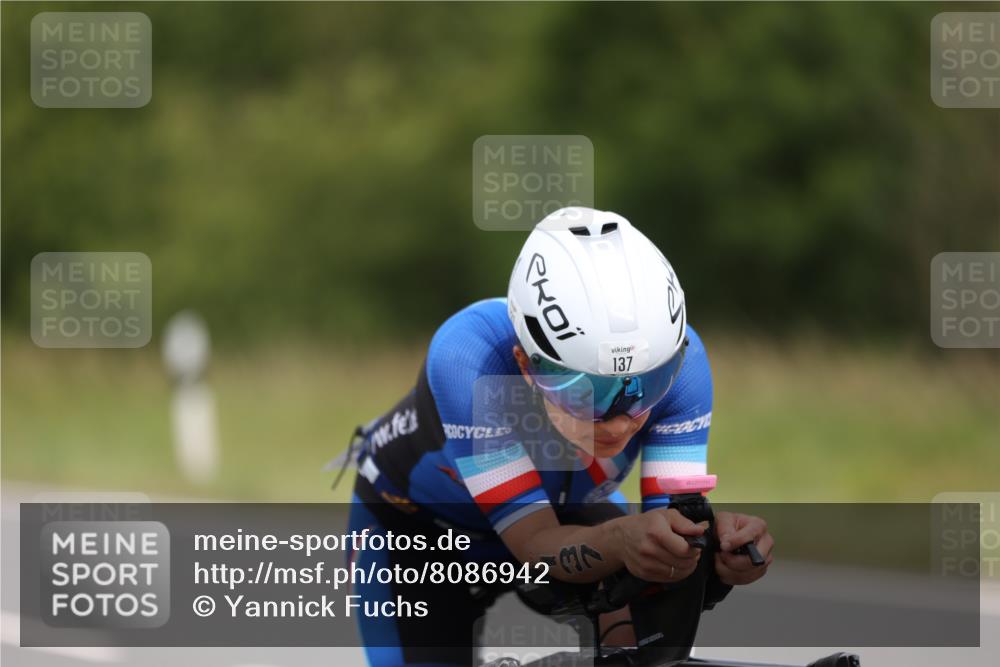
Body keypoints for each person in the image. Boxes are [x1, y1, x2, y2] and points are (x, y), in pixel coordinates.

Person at [343, 207, 774, 667]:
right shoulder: (468, 357)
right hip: (420, 534)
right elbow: (533, 544)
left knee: (644, 651)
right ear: (526, 366)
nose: (621, 421)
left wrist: (714, 552)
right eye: (587, 391)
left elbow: (670, 544)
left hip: (564, 511)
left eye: (646, 385)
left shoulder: (685, 366)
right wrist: (624, 539)